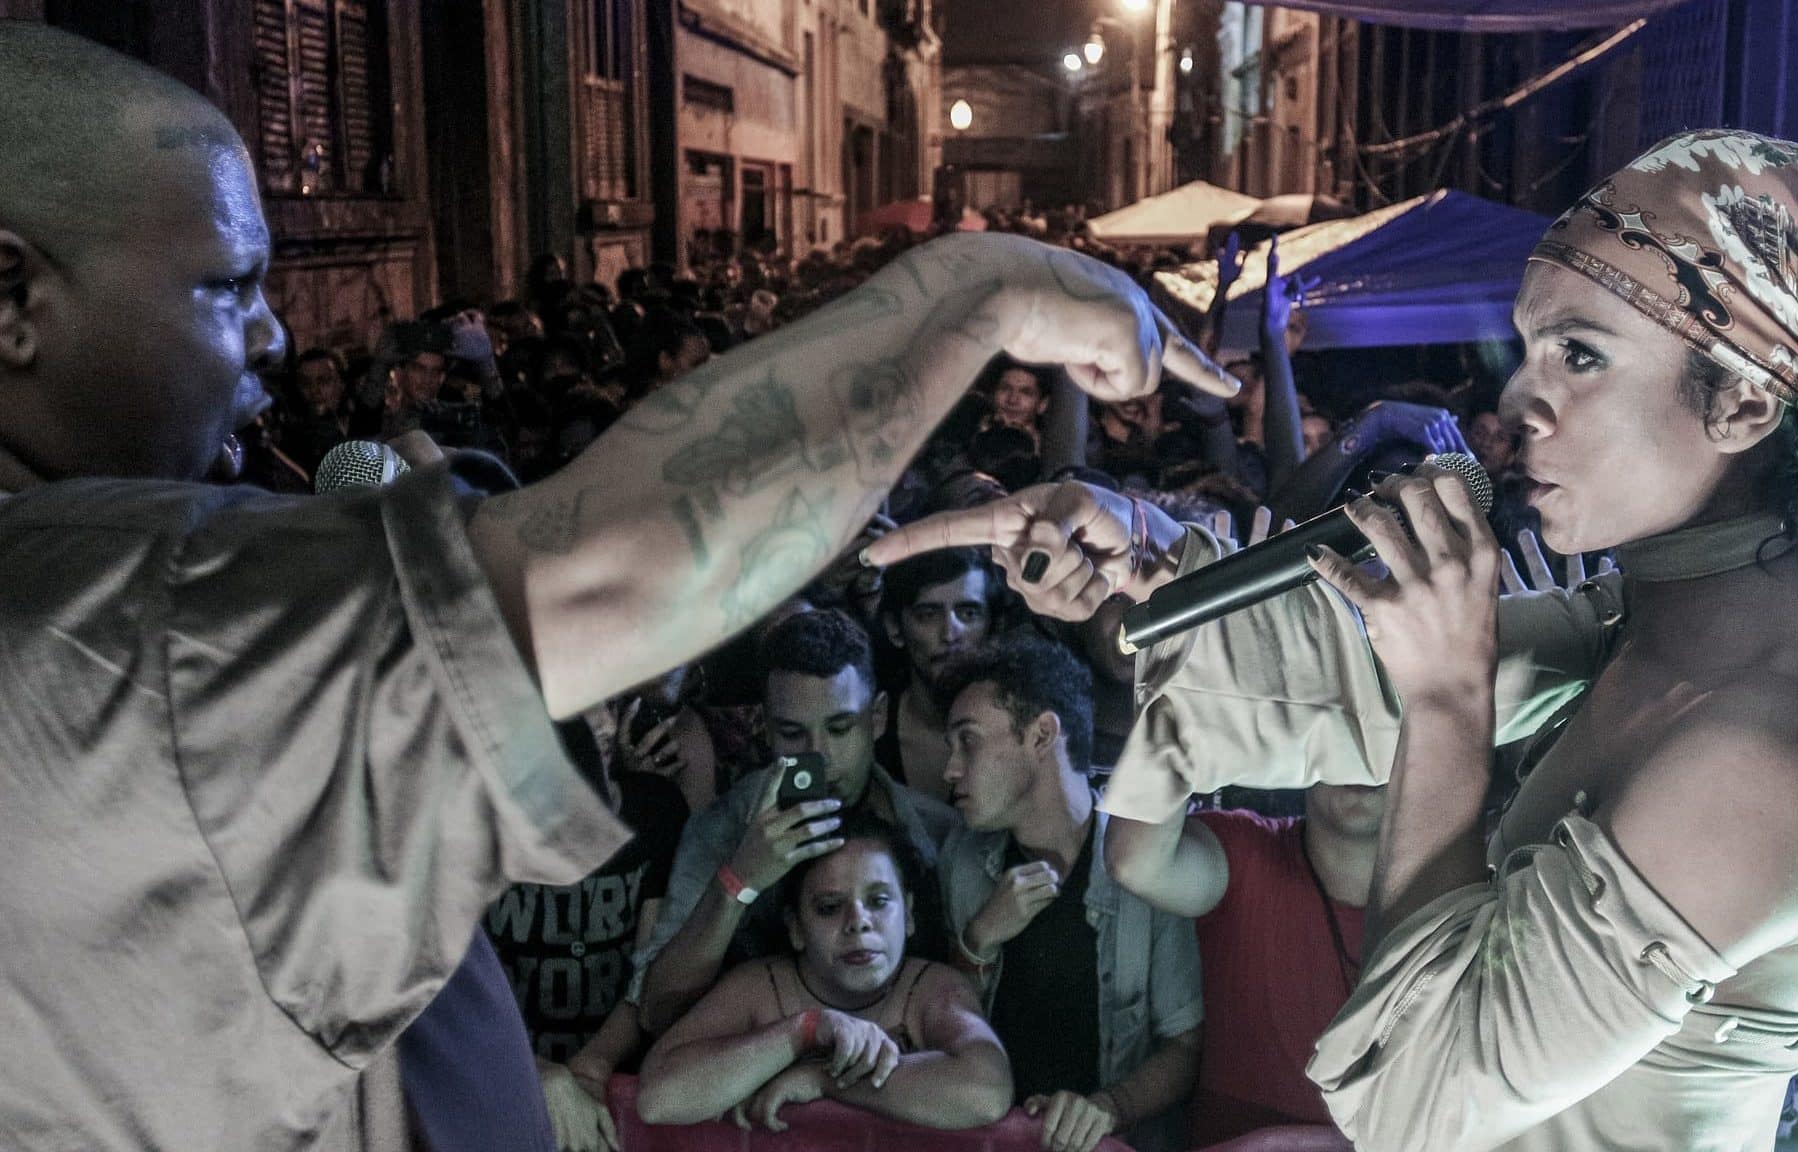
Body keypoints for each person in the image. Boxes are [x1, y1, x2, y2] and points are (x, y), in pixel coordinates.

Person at [0, 25, 1235, 1149]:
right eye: (225, 286)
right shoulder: (95, 610)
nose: (272, 335)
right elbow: (617, 569)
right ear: (14, 299)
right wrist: (981, 290)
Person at [869, 128, 1798, 1150]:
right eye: (1527, 348)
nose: (1517, 401)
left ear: (1740, 403)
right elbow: (1346, 671)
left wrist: (1444, 702)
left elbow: (1422, 1102)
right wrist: (1146, 559)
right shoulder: (1674, 611)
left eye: (1579, 354)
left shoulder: (1768, 745)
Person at [630, 610, 961, 1038]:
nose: (819, 755)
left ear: (877, 718)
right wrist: (739, 880)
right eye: (793, 733)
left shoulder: (937, 831)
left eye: (840, 728)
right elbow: (658, 1014)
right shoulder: (725, 828)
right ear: (766, 731)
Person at [937, 634, 1203, 1152]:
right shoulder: (964, 860)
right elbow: (944, 1032)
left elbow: (1186, 1044)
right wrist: (978, 939)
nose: (949, 769)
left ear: (1042, 735)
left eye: (967, 741)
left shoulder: (1144, 862)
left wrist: (1106, 1110)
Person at [635, 816, 1013, 1131]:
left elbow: (986, 1092)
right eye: (830, 907)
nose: (858, 923)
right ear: (796, 928)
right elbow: (658, 1099)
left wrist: (824, 1079)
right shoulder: (760, 988)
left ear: (909, 913)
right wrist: (805, 1030)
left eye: (879, 901)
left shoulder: (933, 989)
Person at [1105, 783, 1384, 1146]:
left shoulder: (1455, 898)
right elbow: (1132, 862)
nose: (1361, 759)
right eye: (1345, 729)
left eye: (1386, 733)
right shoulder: (1244, 850)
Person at [484, 716, 686, 1152]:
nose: (602, 724)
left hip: (619, 1081)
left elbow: (650, 976)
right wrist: (534, 1070)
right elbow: (453, 998)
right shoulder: (478, 833)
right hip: (500, 1078)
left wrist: (594, 1065)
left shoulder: (655, 812)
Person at [876, 547, 1001, 800]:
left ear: (994, 629)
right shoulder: (869, 731)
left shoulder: (1018, 737)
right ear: (894, 628)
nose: (949, 634)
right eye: (928, 615)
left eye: (968, 613)